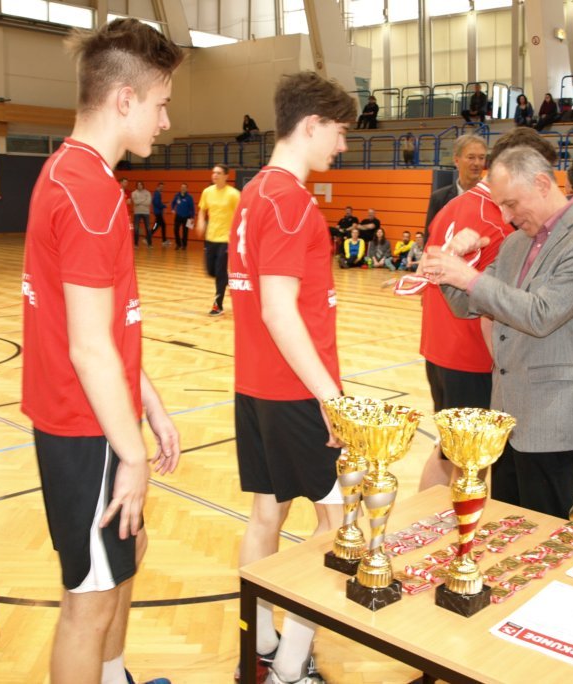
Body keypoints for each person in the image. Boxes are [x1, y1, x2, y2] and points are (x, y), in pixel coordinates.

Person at [20, 19, 182, 684]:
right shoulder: (88, 193)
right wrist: (133, 454)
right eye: (161, 104)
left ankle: (114, 676)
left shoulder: (71, 173)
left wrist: (151, 405)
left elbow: (102, 326)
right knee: (86, 605)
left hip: (92, 418)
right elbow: (89, 349)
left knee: (127, 552)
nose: (166, 122)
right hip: (84, 427)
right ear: (124, 99)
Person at [227, 70, 356, 684]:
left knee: (266, 515)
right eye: (339, 131)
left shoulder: (254, 192)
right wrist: (331, 398)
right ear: (311, 124)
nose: (343, 145)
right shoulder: (289, 201)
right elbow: (279, 311)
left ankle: (259, 650)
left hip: (256, 384)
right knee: (339, 527)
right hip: (297, 391)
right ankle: (290, 667)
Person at [422, 147, 573, 517]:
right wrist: (448, 266)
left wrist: (469, 277)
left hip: (549, 416)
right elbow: (468, 305)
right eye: (501, 206)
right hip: (506, 414)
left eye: (511, 204)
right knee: (507, 528)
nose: (506, 216)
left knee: (542, 531)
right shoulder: (516, 242)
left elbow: (541, 314)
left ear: (541, 184)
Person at [415, 133, 528, 491]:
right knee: (472, 462)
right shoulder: (498, 221)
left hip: (437, 348)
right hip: (471, 355)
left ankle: (425, 519)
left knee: (447, 450)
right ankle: (460, 522)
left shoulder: (451, 206)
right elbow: (493, 305)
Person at [423, 134, 487, 243]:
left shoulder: (495, 198)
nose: (477, 163)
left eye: (481, 158)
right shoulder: (439, 198)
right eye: (471, 157)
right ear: (456, 160)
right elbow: (430, 240)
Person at [195, 164, 241, 316]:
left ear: (226, 176)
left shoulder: (234, 194)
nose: (215, 175)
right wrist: (200, 221)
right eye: (214, 172)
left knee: (220, 271)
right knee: (211, 270)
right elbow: (202, 210)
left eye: (219, 173)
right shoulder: (207, 192)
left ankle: (218, 305)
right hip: (211, 237)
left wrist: (236, 234)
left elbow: (241, 215)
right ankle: (227, 280)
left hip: (226, 239)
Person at [171, 182, 195, 249]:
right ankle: (178, 244)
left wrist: (192, 217)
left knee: (185, 231)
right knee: (175, 230)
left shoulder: (189, 197)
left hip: (187, 217)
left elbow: (192, 208)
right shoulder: (177, 195)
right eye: (182, 187)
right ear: (180, 188)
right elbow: (173, 203)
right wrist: (172, 209)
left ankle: (184, 245)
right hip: (178, 216)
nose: (183, 188)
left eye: (184, 187)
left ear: (187, 189)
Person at [131, 181, 152, 247]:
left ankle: (149, 244)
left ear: (143, 185)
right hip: (137, 212)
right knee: (136, 228)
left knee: (148, 228)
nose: (139, 186)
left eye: (140, 185)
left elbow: (148, 202)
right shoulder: (134, 193)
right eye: (138, 185)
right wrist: (144, 199)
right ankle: (136, 244)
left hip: (146, 212)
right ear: (136, 186)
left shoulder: (147, 193)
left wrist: (139, 202)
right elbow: (135, 202)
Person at [151, 181, 170, 246]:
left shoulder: (157, 193)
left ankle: (148, 237)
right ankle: (164, 241)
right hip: (158, 213)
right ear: (158, 187)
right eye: (160, 187)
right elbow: (157, 204)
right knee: (163, 225)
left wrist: (163, 207)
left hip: (158, 212)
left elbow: (157, 203)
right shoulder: (157, 194)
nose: (162, 188)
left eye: (162, 187)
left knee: (156, 225)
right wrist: (164, 206)